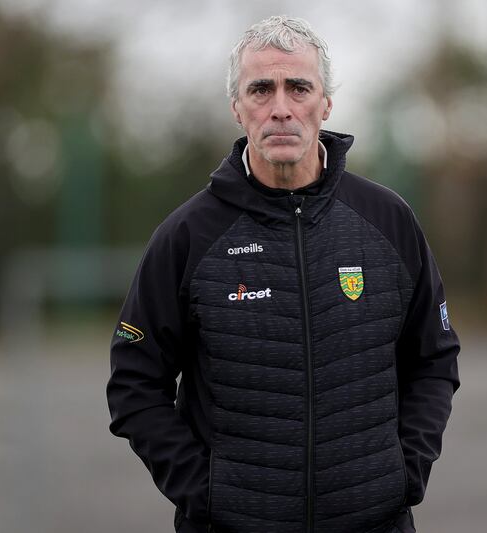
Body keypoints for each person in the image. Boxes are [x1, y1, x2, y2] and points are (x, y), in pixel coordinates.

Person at [106, 15, 460, 533]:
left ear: (326, 104)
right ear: (237, 107)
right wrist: (206, 493)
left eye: (298, 87)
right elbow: (134, 383)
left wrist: (404, 473)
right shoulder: (188, 235)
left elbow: (434, 357)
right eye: (260, 89)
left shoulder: (388, 220)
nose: (280, 108)